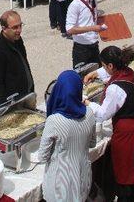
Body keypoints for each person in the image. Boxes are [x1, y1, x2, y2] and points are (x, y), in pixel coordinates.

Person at [83, 46, 134, 200]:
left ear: (110, 66)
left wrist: (88, 103)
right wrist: (94, 73)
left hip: (128, 131)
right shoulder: (128, 72)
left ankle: (125, 197)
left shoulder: (116, 88)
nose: (102, 68)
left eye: (103, 65)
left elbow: (102, 114)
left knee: (125, 169)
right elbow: (111, 74)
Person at [35, 70, 96, 202]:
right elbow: (92, 143)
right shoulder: (90, 113)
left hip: (60, 183)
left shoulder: (54, 120)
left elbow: (42, 156)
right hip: (82, 178)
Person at [0, 10, 34, 105]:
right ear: (4, 28)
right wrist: (5, 108)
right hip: (14, 103)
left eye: (20, 25)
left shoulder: (17, 39)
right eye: (15, 27)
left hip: (26, 96)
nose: (19, 30)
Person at [66, 0, 106, 66]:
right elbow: (69, 30)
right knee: (82, 78)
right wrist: (92, 28)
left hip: (94, 45)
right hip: (81, 49)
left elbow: (92, 19)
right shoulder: (75, 5)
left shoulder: (93, 0)